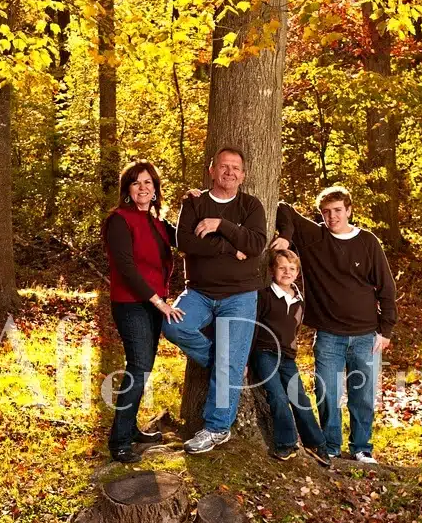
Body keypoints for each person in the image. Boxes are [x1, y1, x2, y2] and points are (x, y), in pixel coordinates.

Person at [271, 186, 397, 464]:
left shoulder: (368, 241)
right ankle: (330, 446)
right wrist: (286, 238)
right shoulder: (315, 237)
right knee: (327, 394)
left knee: (362, 396)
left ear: (349, 210)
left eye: (338, 210)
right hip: (329, 335)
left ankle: (362, 448)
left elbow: (387, 287)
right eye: (326, 212)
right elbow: (282, 207)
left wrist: (386, 330)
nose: (332, 217)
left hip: (366, 335)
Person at [162, 147, 267, 454]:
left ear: (243, 175)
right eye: (224, 166)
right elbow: (186, 242)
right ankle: (224, 364)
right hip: (200, 292)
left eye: (236, 168)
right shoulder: (195, 202)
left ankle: (217, 428)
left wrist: (220, 226)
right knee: (173, 325)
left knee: (229, 364)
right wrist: (228, 247)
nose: (230, 172)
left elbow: (256, 244)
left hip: (240, 295)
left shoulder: (250, 205)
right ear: (212, 170)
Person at [103, 162, 185, 463]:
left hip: (153, 303)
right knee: (138, 368)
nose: (143, 188)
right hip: (131, 304)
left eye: (148, 183)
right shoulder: (119, 220)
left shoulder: (158, 223)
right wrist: (158, 301)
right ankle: (120, 441)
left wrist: (195, 202)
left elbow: (188, 237)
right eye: (136, 183)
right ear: (127, 189)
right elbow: (126, 268)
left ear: (155, 189)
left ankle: (131, 428)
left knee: (143, 368)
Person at [248, 249, 331, 467]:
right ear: (272, 270)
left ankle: (316, 443)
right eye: (282, 267)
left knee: (300, 398)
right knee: (277, 396)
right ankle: (286, 443)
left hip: (287, 357)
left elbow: (294, 331)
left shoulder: (299, 301)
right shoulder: (263, 296)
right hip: (264, 353)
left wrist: (292, 353)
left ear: (297, 273)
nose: (287, 272)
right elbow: (253, 330)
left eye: (292, 268)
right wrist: (246, 361)